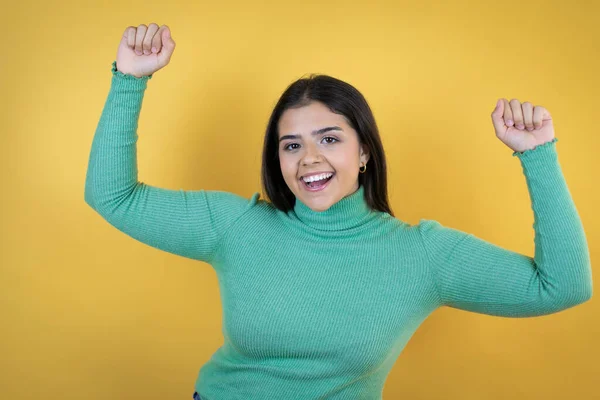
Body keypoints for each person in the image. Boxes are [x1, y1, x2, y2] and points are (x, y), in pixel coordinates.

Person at [84, 23, 593, 400]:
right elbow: (111, 195)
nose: (309, 159)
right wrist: (130, 79)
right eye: (290, 145)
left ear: (365, 151)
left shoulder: (422, 254)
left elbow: (563, 285)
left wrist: (537, 155)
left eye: (329, 139)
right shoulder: (236, 226)